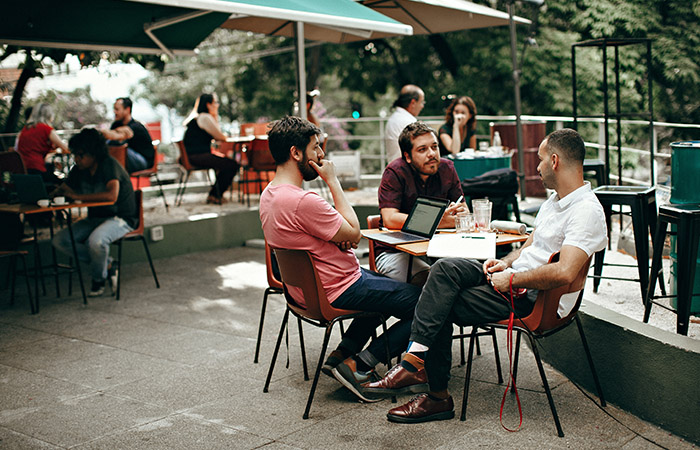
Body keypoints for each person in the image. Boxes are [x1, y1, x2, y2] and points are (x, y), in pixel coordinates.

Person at [363, 129, 608, 423]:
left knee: (440, 301)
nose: (538, 167)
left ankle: (436, 396)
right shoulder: (554, 201)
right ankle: (415, 359)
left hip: (532, 297)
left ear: (555, 161)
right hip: (514, 279)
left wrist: (513, 280)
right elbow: (531, 245)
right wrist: (505, 263)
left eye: (541, 160)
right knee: (444, 269)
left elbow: (565, 270)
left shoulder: (586, 211)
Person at [260, 116, 421, 403]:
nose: (322, 156)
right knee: (425, 303)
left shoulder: (269, 195)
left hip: (305, 293)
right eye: (315, 149)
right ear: (296, 153)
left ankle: (341, 354)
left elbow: (344, 235)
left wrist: (341, 235)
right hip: (338, 288)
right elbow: (354, 233)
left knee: (387, 287)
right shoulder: (302, 201)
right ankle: (359, 365)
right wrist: (333, 181)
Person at [375, 122, 465, 284]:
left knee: (470, 274)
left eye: (434, 147)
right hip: (396, 252)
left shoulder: (447, 168)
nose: (431, 154)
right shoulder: (394, 172)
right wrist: (436, 221)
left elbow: (463, 212)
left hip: (440, 248)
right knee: (430, 282)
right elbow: (390, 219)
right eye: (422, 150)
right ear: (407, 156)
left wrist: (450, 219)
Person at [52, 128, 137, 297]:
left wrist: (77, 196)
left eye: (81, 155)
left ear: (94, 153)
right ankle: (108, 264)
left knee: (96, 242)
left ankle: (98, 279)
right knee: (60, 240)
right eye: (75, 154)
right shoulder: (79, 169)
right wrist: (56, 192)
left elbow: (111, 195)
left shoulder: (109, 165)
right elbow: (65, 188)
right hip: (95, 219)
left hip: (120, 217)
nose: (77, 159)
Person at [182, 93, 239, 205]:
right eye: (215, 103)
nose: (217, 105)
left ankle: (216, 193)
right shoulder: (205, 117)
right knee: (232, 165)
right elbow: (220, 137)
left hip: (191, 155)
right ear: (209, 105)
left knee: (224, 162)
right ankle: (214, 195)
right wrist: (215, 116)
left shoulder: (196, 117)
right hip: (198, 156)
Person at [16, 103, 70, 186]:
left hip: (23, 170)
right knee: (64, 184)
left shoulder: (25, 129)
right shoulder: (46, 129)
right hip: (37, 170)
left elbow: (34, 148)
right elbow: (66, 148)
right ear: (49, 115)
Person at [101, 97, 154, 173]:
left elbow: (120, 136)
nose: (114, 112)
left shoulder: (137, 126)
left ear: (127, 110)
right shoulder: (116, 125)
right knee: (107, 146)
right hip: (126, 161)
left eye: (117, 109)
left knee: (119, 148)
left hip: (144, 162)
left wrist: (104, 133)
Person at [385, 85, 425, 163]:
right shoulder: (408, 122)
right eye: (421, 102)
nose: (422, 106)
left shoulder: (394, 118)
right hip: (405, 170)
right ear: (413, 102)